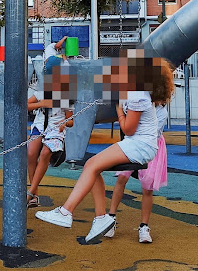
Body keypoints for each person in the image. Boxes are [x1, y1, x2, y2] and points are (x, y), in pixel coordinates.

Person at [35, 53, 175, 244]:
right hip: (138, 144)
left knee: (92, 166)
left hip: (140, 145)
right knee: (92, 166)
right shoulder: (135, 92)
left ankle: (66, 212)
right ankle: (101, 219)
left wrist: (119, 111)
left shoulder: (138, 94)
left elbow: (128, 129)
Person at [105, 103, 169, 243]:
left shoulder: (161, 112)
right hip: (133, 143)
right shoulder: (140, 102)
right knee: (122, 177)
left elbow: (140, 131)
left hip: (150, 146)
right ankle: (110, 219)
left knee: (147, 187)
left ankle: (144, 227)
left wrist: (122, 114)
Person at [27, 68, 73, 208]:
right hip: (40, 126)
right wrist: (41, 104)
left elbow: (71, 120)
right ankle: (34, 192)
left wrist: (65, 123)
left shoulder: (67, 96)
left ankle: (31, 193)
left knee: (45, 153)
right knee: (31, 153)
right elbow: (26, 105)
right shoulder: (41, 93)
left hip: (55, 129)